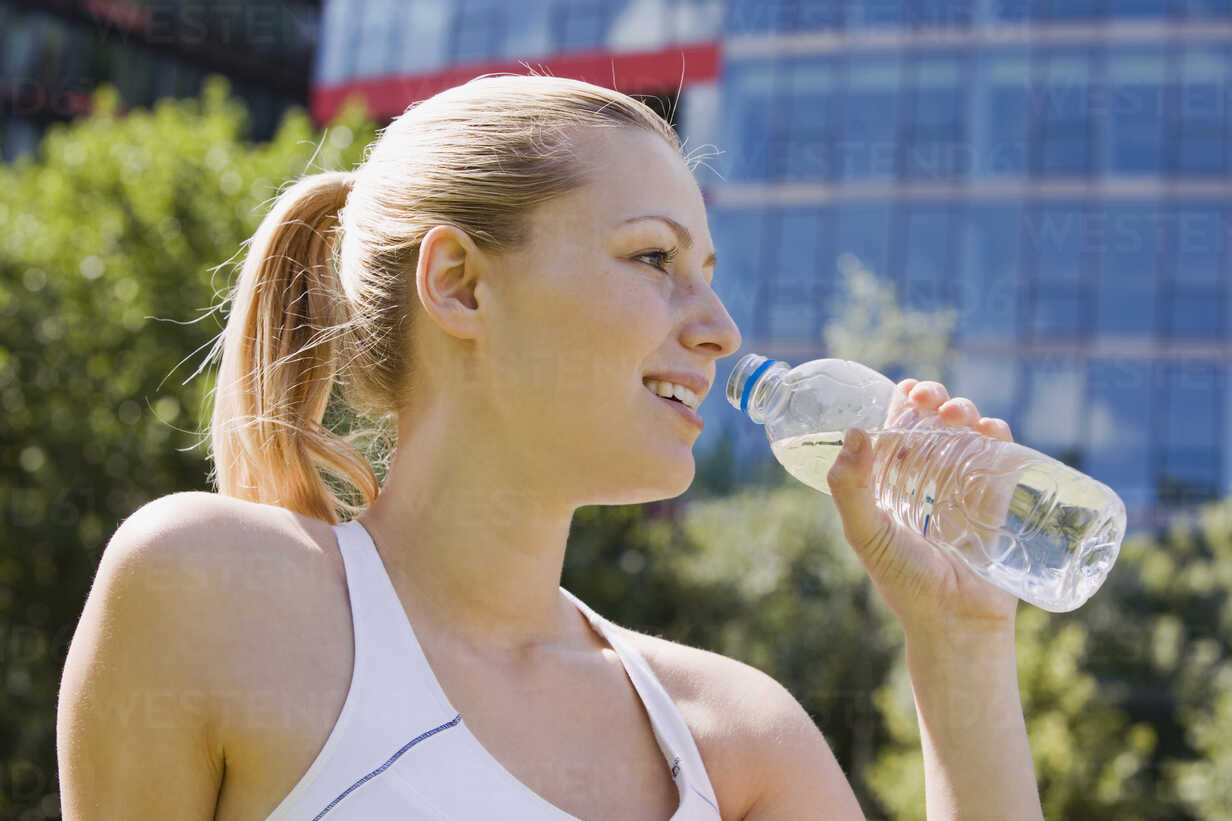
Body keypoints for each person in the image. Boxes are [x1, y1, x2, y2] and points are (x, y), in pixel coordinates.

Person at [56, 74, 1044, 820]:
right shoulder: (208, 591)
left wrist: (958, 644)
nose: (718, 329)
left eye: (706, 272)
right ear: (459, 284)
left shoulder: (736, 737)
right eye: (654, 258)